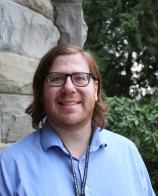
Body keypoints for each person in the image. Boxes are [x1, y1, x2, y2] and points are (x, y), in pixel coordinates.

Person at [0, 43, 155, 196]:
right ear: (41, 91)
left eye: (80, 78)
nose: (68, 88)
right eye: (57, 78)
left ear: (95, 90)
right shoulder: (9, 166)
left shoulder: (128, 153)